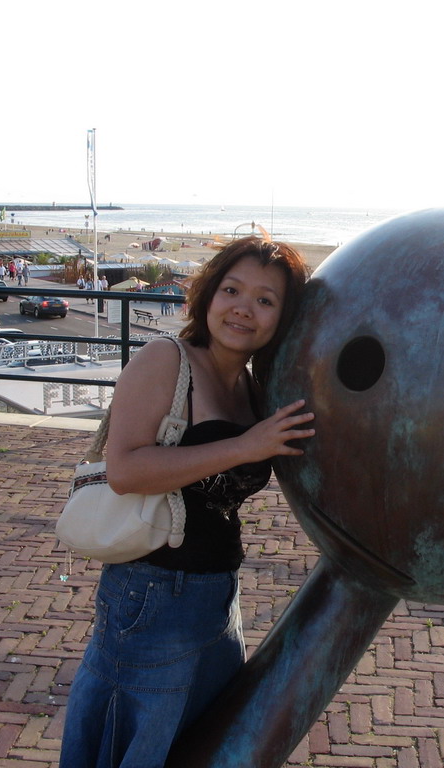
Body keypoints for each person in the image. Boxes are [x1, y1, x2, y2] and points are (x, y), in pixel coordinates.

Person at [59, 237, 313, 767]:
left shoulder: (251, 387)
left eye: (266, 300)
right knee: (135, 746)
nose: (244, 308)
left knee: (199, 743)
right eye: (232, 290)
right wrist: (245, 446)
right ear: (208, 295)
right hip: (149, 595)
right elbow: (127, 470)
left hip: (217, 598)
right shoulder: (165, 360)